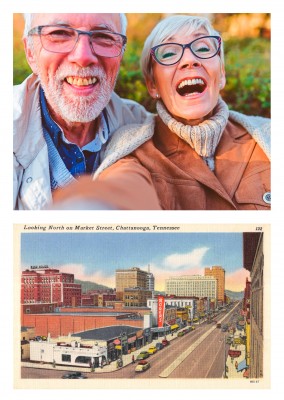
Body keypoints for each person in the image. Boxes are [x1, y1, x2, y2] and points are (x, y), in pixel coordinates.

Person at [60, 14, 269, 210]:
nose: (189, 60)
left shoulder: (268, 135)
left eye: (204, 49)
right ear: (153, 85)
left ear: (221, 74)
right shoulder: (133, 149)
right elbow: (122, 189)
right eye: (169, 53)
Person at [13, 13, 158, 210]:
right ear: (30, 51)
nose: (82, 57)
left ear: (121, 53)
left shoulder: (143, 128)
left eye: (103, 37)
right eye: (59, 34)